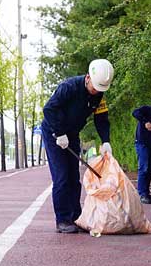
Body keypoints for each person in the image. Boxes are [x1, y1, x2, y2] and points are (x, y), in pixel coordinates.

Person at [42, 58, 114, 234]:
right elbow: (49, 109)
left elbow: (101, 118)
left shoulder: (99, 94)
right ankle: (63, 219)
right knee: (62, 177)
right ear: (88, 77)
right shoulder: (69, 87)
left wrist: (105, 140)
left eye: (100, 89)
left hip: (72, 133)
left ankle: (76, 217)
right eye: (95, 87)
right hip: (54, 133)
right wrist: (59, 133)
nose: (96, 91)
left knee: (74, 178)